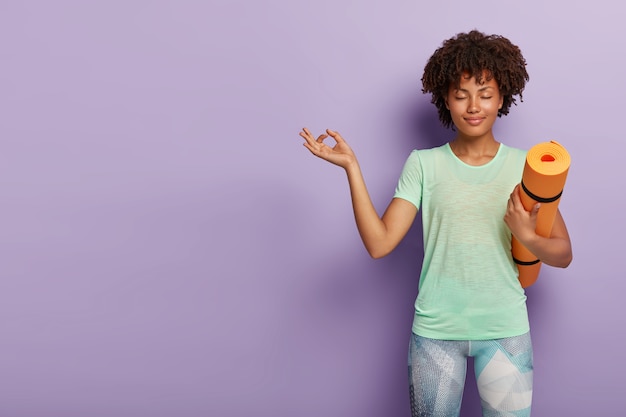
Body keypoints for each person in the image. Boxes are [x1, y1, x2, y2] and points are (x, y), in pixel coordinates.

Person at [298, 30, 572, 417]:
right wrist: (351, 168)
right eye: (461, 95)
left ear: (502, 97)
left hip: (506, 328)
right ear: (445, 98)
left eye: (485, 93)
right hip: (435, 333)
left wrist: (527, 234)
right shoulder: (424, 164)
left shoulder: (525, 166)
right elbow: (379, 244)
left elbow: (563, 254)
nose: (473, 106)